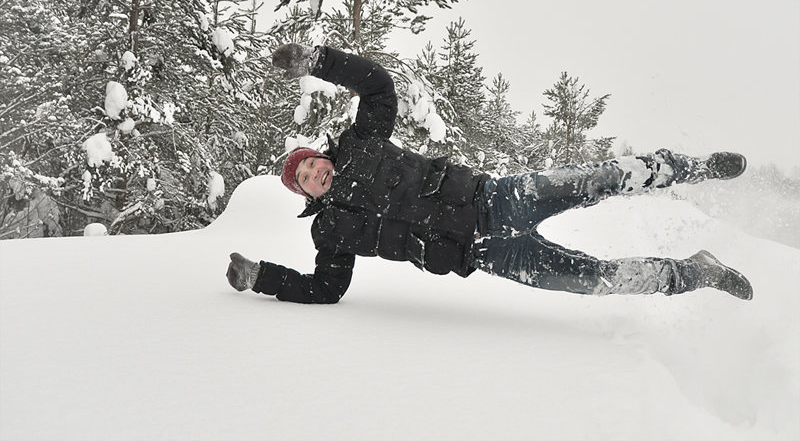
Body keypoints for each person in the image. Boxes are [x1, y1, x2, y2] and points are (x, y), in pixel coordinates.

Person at [226, 44, 753, 304]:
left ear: (322, 156)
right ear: (305, 192)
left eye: (313, 163)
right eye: (306, 178)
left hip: (498, 199)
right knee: (594, 280)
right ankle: (692, 273)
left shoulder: (363, 142)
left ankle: (693, 167)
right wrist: (262, 279)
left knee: (599, 179)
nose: (316, 173)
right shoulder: (329, 232)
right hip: (483, 253)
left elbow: (378, 84)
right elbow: (326, 288)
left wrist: (319, 61)